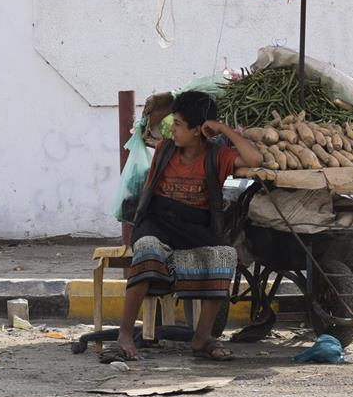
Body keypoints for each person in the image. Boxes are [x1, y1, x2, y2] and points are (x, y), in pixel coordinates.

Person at [112, 91, 262, 362]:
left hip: (193, 226)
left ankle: (201, 336)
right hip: (156, 222)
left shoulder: (217, 156)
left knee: (224, 255)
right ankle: (124, 335)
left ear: (197, 130)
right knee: (146, 249)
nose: (173, 128)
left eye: (179, 123)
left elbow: (254, 160)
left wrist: (221, 128)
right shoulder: (164, 149)